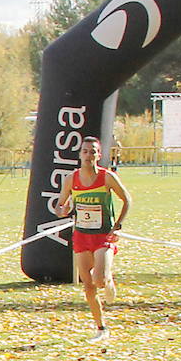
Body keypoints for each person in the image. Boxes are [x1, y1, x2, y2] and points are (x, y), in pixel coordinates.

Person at [56, 136, 132, 341]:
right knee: (88, 285)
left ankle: (107, 280)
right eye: (85, 151)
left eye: (93, 152)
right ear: (80, 155)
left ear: (99, 155)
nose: (89, 155)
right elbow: (59, 205)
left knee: (98, 279)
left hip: (103, 236)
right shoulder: (71, 179)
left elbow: (127, 200)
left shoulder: (107, 177)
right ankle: (101, 328)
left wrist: (118, 226)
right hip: (82, 236)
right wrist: (62, 210)